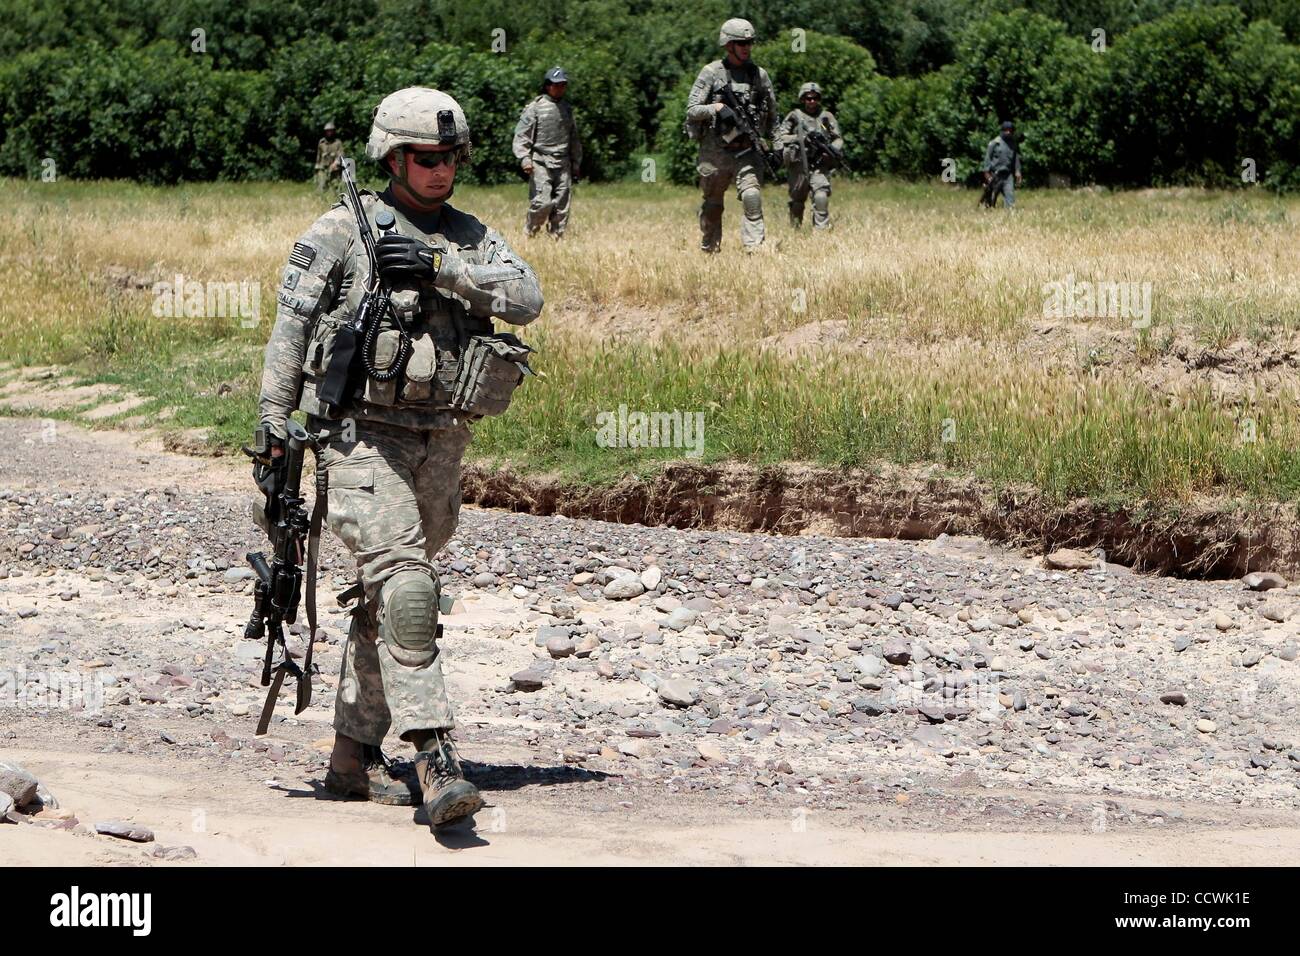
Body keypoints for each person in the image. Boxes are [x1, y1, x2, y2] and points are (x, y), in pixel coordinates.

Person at [255, 87, 543, 830]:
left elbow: (526, 298)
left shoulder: (469, 235)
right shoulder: (342, 230)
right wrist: (272, 426)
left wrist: (442, 266)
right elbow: (290, 331)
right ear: (393, 156)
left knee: (387, 598)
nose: (440, 169)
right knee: (409, 587)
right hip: (360, 438)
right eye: (425, 157)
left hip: (441, 442)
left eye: (450, 157)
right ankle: (434, 756)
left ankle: (350, 761)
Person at [684, 18, 778, 252]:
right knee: (713, 205)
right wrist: (715, 108)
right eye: (740, 43)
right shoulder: (711, 73)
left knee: (752, 196)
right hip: (714, 151)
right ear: (728, 45)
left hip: (747, 149)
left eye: (749, 42)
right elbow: (692, 109)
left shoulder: (759, 75)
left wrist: (777, 145)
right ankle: (710, 248)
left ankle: (754, 250)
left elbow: (773, 115)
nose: (746, 47)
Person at [512, 67, 583, 237]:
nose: (560, 88)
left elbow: (574, 138)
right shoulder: (535, 108)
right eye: (556, 85)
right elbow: (522, 135)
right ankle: (530, 232)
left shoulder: (567, 109)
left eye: (563, 85)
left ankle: (556, 237)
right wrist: (524, 159)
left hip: (563, 161)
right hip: (540, 161)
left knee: (562, 204)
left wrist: (576, 163)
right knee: (542, 202)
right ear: (547, 86)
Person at [779, 82, 843, 229]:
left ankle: (820, 232)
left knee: (821, 196)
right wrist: (800, 139)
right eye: (808, 98)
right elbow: (780, 137)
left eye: (815, 98)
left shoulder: (826, 117)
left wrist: (832, 150)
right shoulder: (795, 116)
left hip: (819, 165)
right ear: (802, 99)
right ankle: (795, 229)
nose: (812, 101)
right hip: (799, 165)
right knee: (797, 201)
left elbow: (838, 138)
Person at [981, 120, 1021, 210]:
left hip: (1008, 175)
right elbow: (987, 158)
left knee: (1010, 197)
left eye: (1010, 130)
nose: (1008, 132)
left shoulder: (1013, 144)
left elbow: (1016, 158)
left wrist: (1018, 171)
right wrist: (987, 173)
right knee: (990, 199)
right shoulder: (994, 143)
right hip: (995, 175)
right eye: (1006, 130)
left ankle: (1009, 216)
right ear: (1002, 130)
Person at [314, 121, 344, 191]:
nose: (329, 133)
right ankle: (321, 200)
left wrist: (335, 163)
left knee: (336, 187)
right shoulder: (321, 143)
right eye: (327, 131)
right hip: (323, 168)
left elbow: (341, 155)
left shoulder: (338, 143)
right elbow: (319, 156)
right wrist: (317, 167)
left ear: (334, 131)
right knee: (322, 186)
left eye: (331, 131)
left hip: (335, 169)